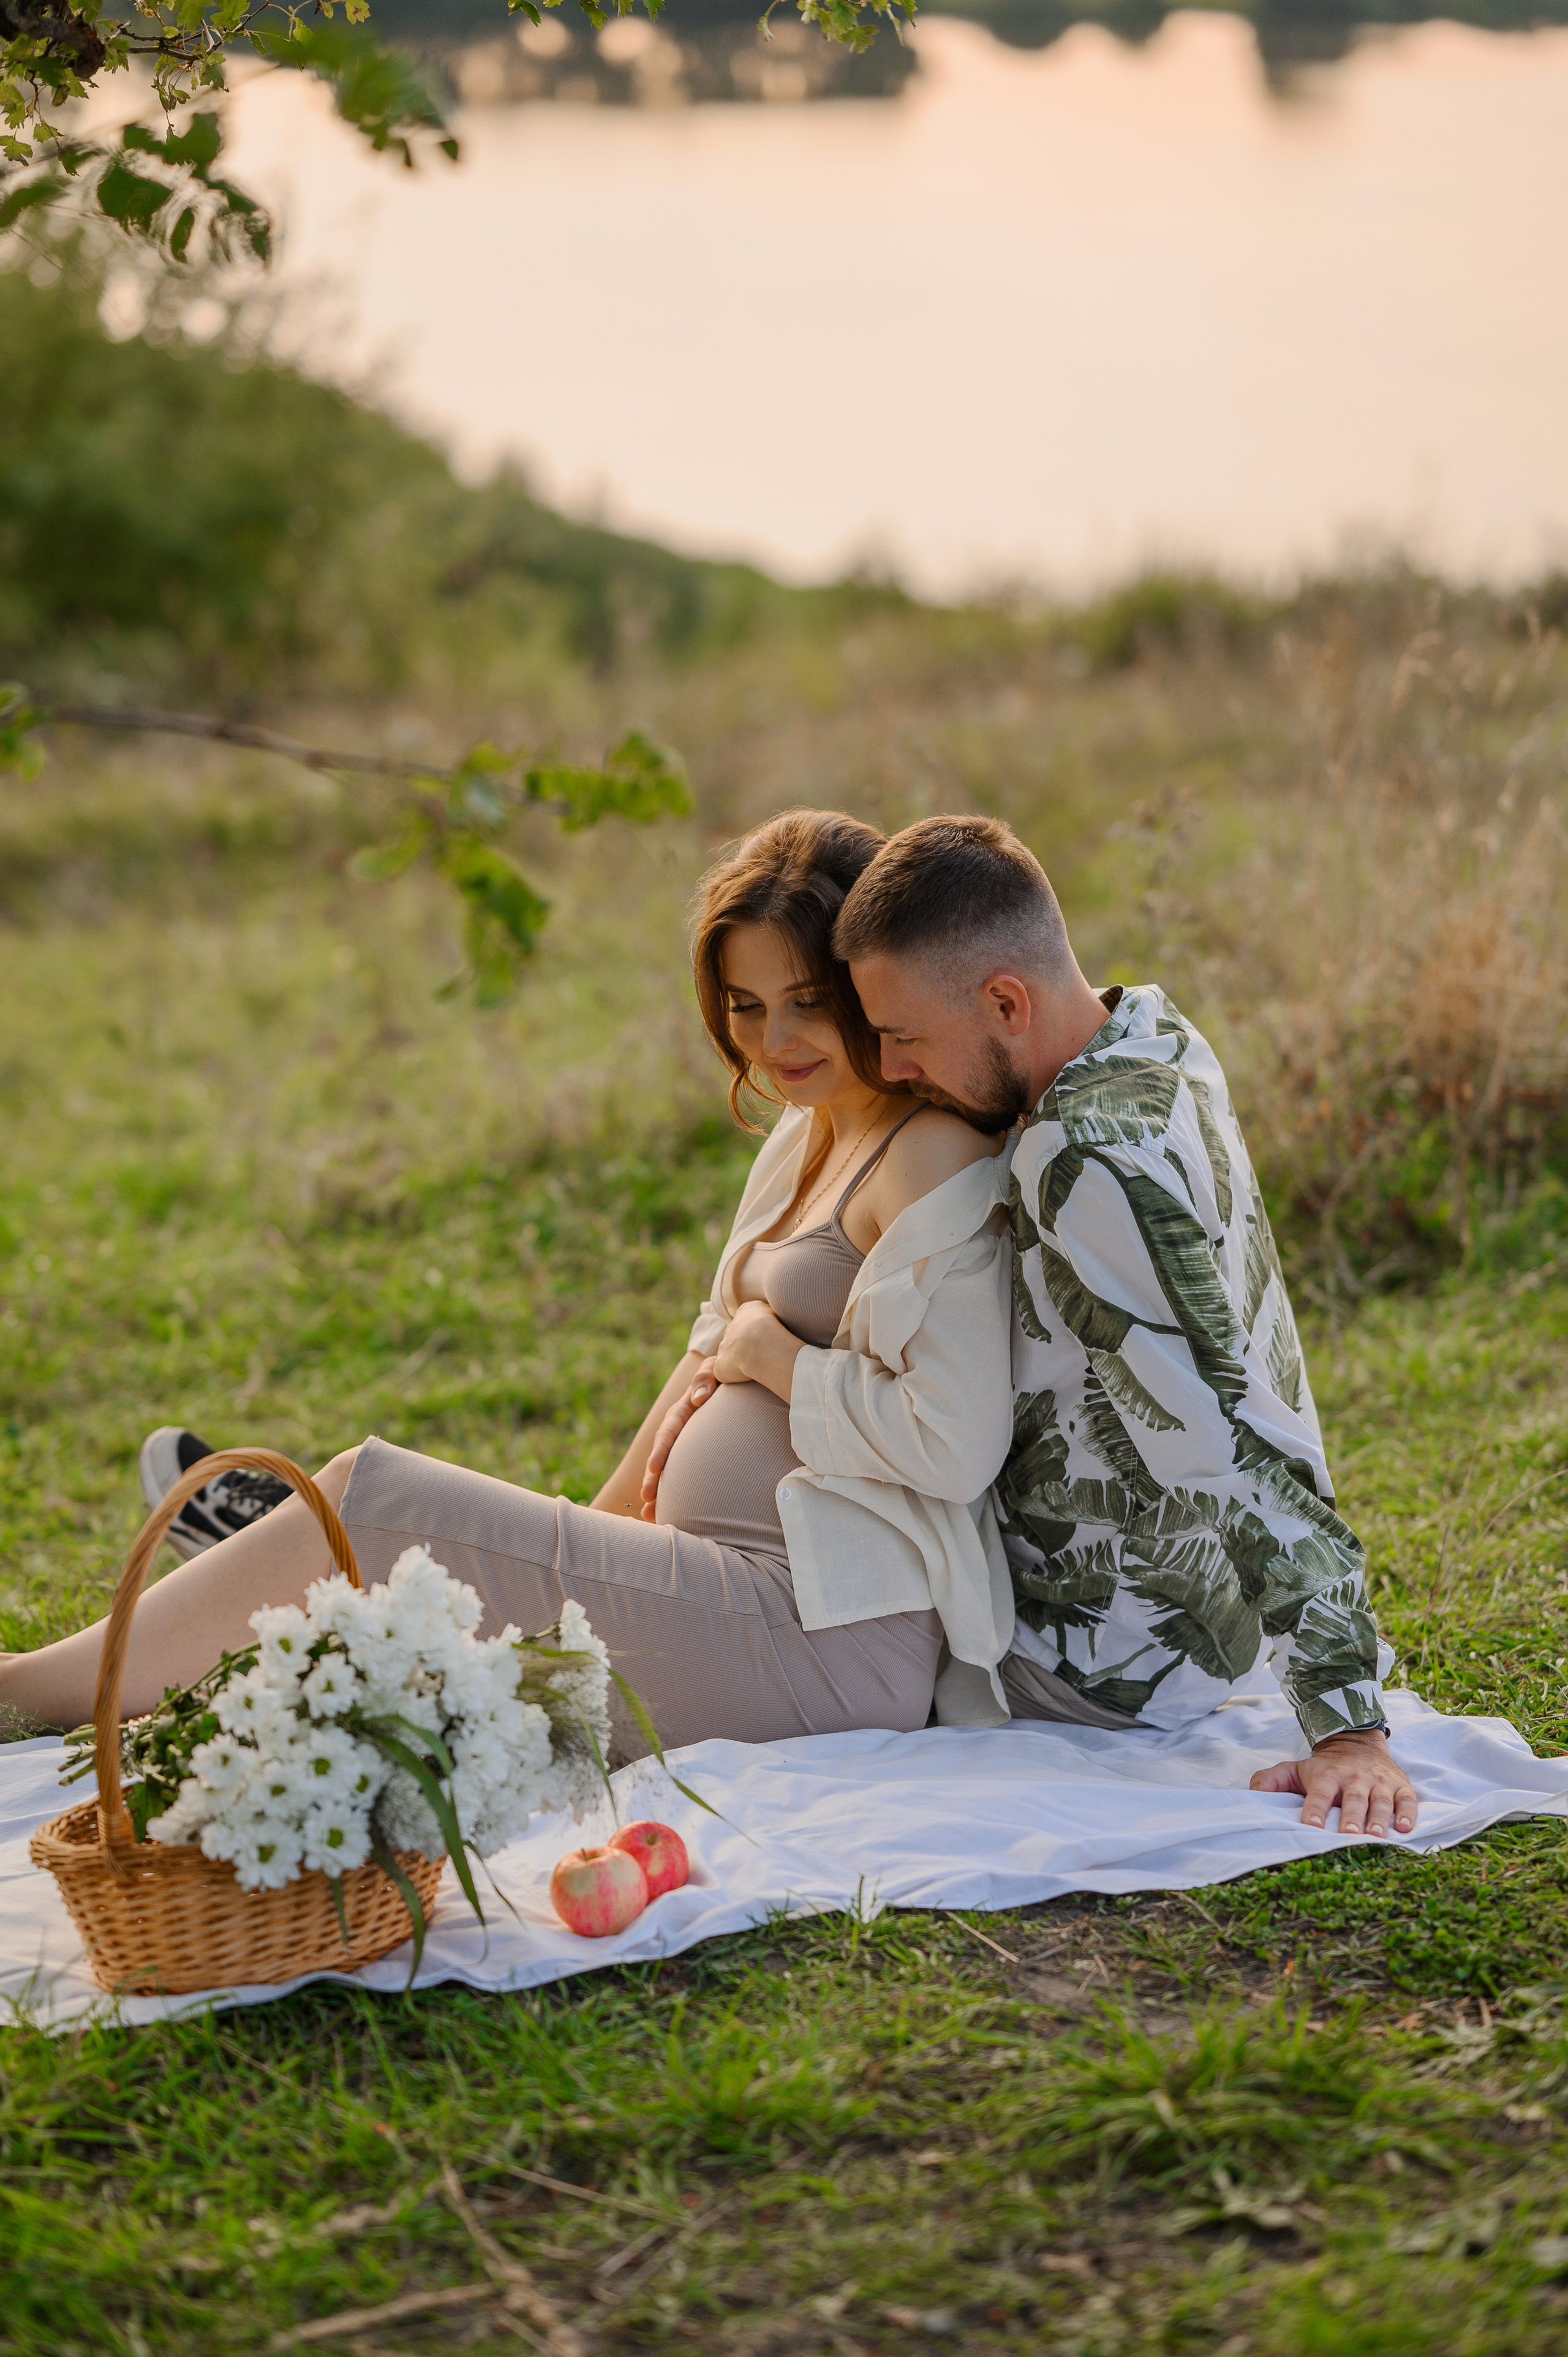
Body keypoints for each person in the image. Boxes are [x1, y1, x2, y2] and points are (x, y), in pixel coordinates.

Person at [0, 811, 1016, 1752]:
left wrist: (775, 1355)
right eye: (747, 1007)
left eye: (808, 1004)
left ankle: (34, 1689)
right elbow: (704, 1353)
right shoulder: (808, 1132)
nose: (774, 1042)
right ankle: (271, 1591)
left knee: (370, 1497)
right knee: (388, 1608)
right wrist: (581, 1530)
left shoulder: (928, 1155)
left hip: (820, 1641)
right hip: (712, 1592)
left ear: (865, 985)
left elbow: (955, 1443)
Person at [828, 812, 1419, 1841]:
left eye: (905, 1035)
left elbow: (1223, 1441)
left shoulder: (1086, 1161)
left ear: (1006, 1000)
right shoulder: (1151, 1033)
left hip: (1094, 1655)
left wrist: (1347, 1726)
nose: (886, 1065)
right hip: (1168, 1621)